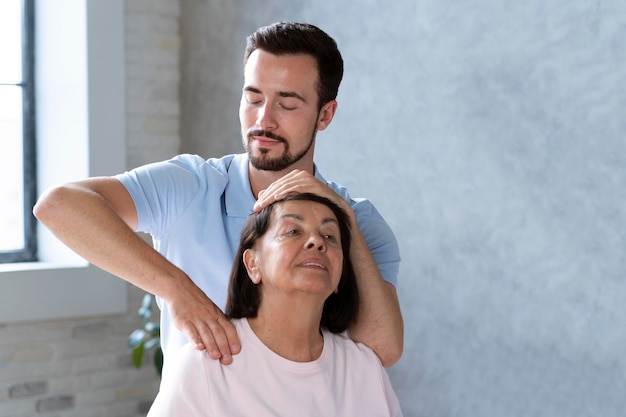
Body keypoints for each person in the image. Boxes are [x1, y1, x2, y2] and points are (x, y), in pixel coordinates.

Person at [33, 21, 403, 367]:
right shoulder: (192, 186)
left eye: (287, 104)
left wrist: (345, 224)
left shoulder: (356, 221)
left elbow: (383, 348)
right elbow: (59, 205)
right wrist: (176, 289)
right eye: (253, 98)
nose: (263, 120)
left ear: (325, 115)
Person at [147, 193, 403, 416]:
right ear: (252, 264)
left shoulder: (365, 370)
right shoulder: (204, 367)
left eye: (329, 235)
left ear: (339, 278)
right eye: (293, 231)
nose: (316, 241)